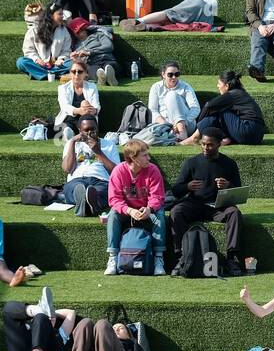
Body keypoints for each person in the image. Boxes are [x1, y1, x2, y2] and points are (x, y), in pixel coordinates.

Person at [171, 127, 246, 277]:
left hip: (218, 207)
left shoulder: (229, 164)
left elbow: (239, 191)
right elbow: (176, 190)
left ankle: (231, 258)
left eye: (210, 145)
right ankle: (181, 257)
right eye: (203, 144)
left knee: (234, 213)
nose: (205, 147)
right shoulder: (191, 163)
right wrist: (187, 186)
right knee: (176, 211)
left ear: (219, 144)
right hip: (195, 204)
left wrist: (228, 186)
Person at [105, 137, 168, 276]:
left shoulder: (153, 170)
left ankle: (158, 259)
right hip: (127, 211)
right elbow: (114, 199)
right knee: (113, 214)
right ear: (133, 158)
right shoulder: (118, 171)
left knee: (159, 215)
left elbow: (158, 197)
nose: (149, 158)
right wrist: (129, 210)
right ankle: (113, 258)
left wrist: (149, 209)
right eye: (145, 155)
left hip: (146, 210)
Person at [59, 114, 120, 216]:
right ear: (80, 131)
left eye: (93, 129)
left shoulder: (109, 145)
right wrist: (73, 142)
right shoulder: (72, 143)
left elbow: (116, 172)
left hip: (100, 180)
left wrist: (98, 151)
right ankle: (88, 204)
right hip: (77, 179)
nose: (90, 133)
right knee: (74, 189)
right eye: (86, 130)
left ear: (97, 128)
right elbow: (67, 169)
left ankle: (87, 202)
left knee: (101, 191)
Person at [0, 294, 73, 351]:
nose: (51, 318)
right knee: (8, 307)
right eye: (50, 315)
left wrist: (50, 314)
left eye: (53, 318)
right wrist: (41, 311)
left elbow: (71, 313)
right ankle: (38, 310)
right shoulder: (29, 325)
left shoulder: (58, 334)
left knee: (41, 317)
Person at [148, 60, 200, 143]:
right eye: (170, 74)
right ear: (163, 74)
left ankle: (182, 133)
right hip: (164, 125)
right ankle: (174, 134)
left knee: (172, 95)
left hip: (187, 125)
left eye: (177, 74)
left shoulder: (185, 87)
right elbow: (152, 110)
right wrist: (166, 124)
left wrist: (182, 123)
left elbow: (195, 108)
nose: (174, 77)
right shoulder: (156, 87)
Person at [17, 5, 72, 80]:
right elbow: (28, 50)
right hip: (39, 65)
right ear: (51, 15)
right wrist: (36, 60)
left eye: (62, 14)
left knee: (72, 63)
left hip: (57, 65)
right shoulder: (34, 29)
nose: (62, 16)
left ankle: (40, 74)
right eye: (60, 14)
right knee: (21, 62)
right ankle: (53, 75)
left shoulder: (64, 31)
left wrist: (61, 59)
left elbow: (66, 50)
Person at [54, 55, 100, 140]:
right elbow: (64, 107)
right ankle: (69, 133)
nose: (76, 74)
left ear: (85, 73)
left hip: (86, 117)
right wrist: (78, 110)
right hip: (70, 117)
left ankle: (83, 135)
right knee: (68, 122)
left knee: (87, 116)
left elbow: (96, 105)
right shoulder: (63, 88)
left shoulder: (92, 87)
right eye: (73, 71)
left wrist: (94, 110)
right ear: (70, 73)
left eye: (80, 72)